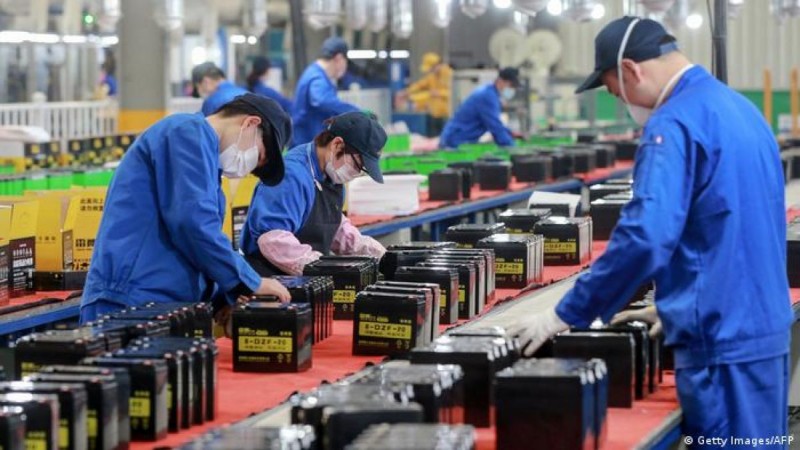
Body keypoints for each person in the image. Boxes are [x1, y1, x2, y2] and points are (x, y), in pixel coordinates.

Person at [508, 16, 792, 444]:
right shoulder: (741, 110)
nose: (620, 101)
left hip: (721, 343)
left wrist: (564, 314)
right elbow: (737, 226)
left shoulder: (672, 124)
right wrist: (678, 304)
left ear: (630, 69)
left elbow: (645, 237)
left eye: (612, 90)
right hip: (762, 329)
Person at [80, 93, 293, 323]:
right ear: (250, 123)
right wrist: (251, 282)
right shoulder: (187, 132)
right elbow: (193, 224)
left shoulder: (209, 167)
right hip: (129, 300)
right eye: (258, 156)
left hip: (162, 302)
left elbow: (195, 245)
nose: (247, 168)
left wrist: (221, 300)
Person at [240, 111, 387, 276]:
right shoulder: (291, 176)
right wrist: (322, 267)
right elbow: (273, 240)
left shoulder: (331, 176)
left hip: (307, 279)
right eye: (358, 165)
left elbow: (332, 225)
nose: (356, 173)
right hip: (269, 278)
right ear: (337, 145)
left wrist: (376, 253)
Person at [291, 36, 360, 147]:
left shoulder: (314, 73)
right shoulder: (317, 77)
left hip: (308, 143)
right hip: (307, 145)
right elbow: (322, 100)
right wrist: (355, 112)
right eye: (346, 62)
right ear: (339, 58)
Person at [438, 67, 519, 149]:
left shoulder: (491, 94)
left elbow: (496, 124)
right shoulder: (487, 96)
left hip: (461, 139)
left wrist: (510, 133)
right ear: (501, 81)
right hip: (455, 140)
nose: (511, 89)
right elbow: (494, 125)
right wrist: (511, 146)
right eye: (511, 86)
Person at [402, 52, 453, 136]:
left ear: (437, 65)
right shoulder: (432, 76)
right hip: (434, 114)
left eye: (431, 69)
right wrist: (407, 92)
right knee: (433, 137)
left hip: (447, 115)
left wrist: (439, 93)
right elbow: (419, 85)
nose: (430, 71)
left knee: (445, 137)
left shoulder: (450, 75)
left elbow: (454, 93)